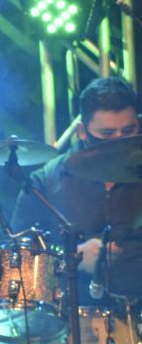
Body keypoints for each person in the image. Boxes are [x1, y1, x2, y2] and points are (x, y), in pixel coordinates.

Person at [10, 76, 142, 305]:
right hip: (73, 313)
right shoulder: (45, 182)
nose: (119, 142)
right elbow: (17, 258)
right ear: (82, 131)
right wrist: (72, 256)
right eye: (107, 134)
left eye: (128, 131)